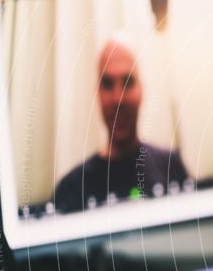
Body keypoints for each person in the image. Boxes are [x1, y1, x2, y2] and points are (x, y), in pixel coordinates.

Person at [54, 38, 188, 212]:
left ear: (141, 90)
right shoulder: (71, 189)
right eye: (108, 84)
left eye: (127, 82)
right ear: (98, 94)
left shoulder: (172, 168)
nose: (118, 99)